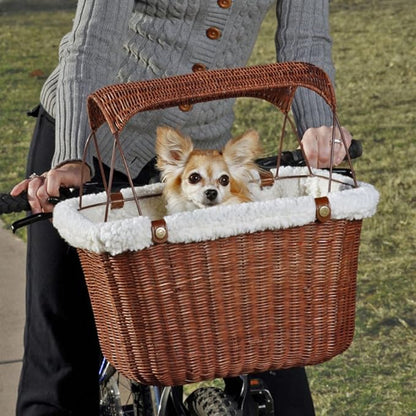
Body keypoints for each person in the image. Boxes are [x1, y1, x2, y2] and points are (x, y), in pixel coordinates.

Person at [11, 1, 352, 415]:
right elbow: (91, 42)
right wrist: (69, 156)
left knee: (267, 349)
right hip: (88, 143)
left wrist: (319, 129)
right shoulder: (78, 147)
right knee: (61, 364)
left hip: (200, 167)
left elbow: (305, 39)